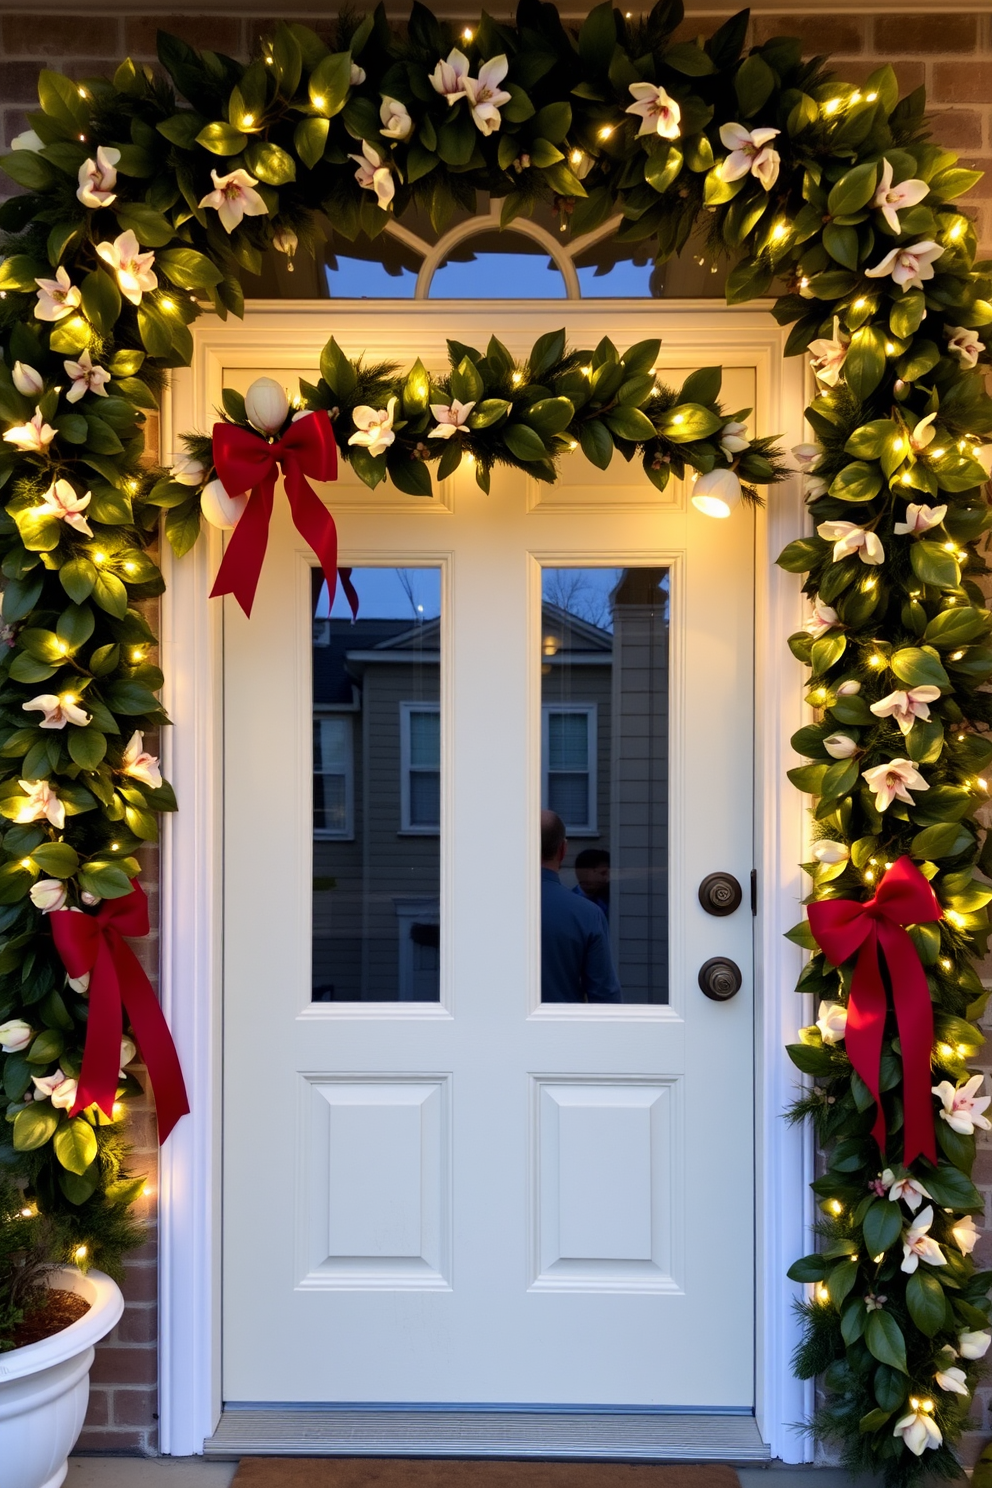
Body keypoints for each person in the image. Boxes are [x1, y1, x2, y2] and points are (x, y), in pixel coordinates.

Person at [540, 811, 621, 1003]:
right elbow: (604, 997)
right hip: (561, 1030)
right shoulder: (587, 914)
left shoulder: (483, 911)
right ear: (563, 850)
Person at [573, 847, 610, 925]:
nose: (606, 878)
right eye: (603, 873)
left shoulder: (609, 898)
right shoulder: (570, 902)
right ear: (586, 873)